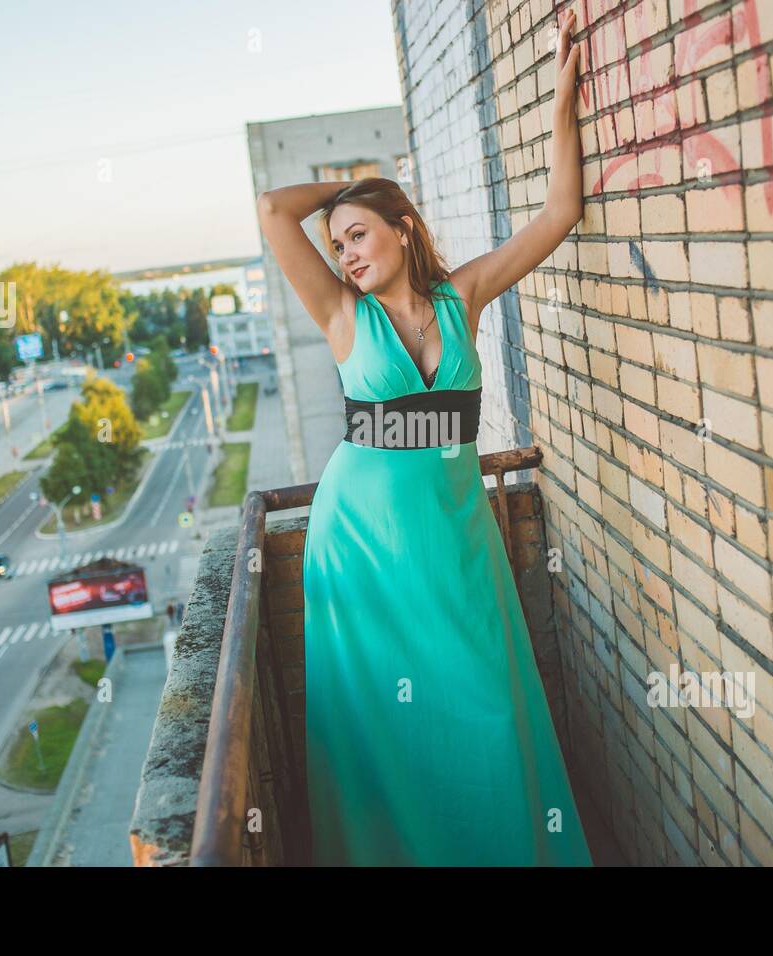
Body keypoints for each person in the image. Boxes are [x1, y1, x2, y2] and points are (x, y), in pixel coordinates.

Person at [256, 11, 589, 866]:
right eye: (338, 245)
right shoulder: (340, 315)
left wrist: (559, 101)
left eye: (360, 234)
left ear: (403, 229)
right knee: (390, 733)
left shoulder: (462, 297)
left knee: (485, 704)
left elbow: (560, 212)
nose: (347, 253)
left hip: (455, 532)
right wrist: (352, 190)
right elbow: (271, 209)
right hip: (361, 544)